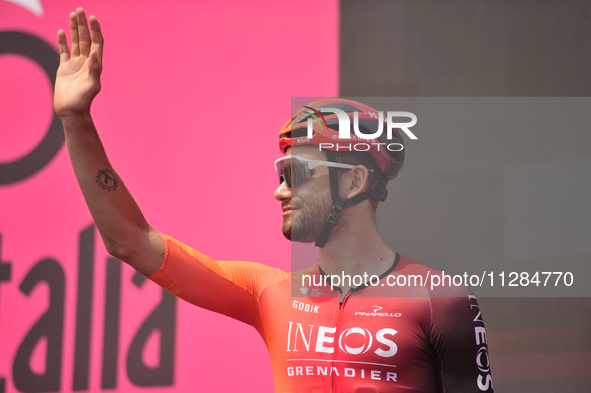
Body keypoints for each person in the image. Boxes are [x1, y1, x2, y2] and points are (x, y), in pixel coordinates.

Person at [54, 8, 494, 393]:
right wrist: (76, 121)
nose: (280, 190)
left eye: (296, 174)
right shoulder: (270, 293)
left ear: (357, 179)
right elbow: (129, 239)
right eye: (280, 174)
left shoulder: (440, 299)